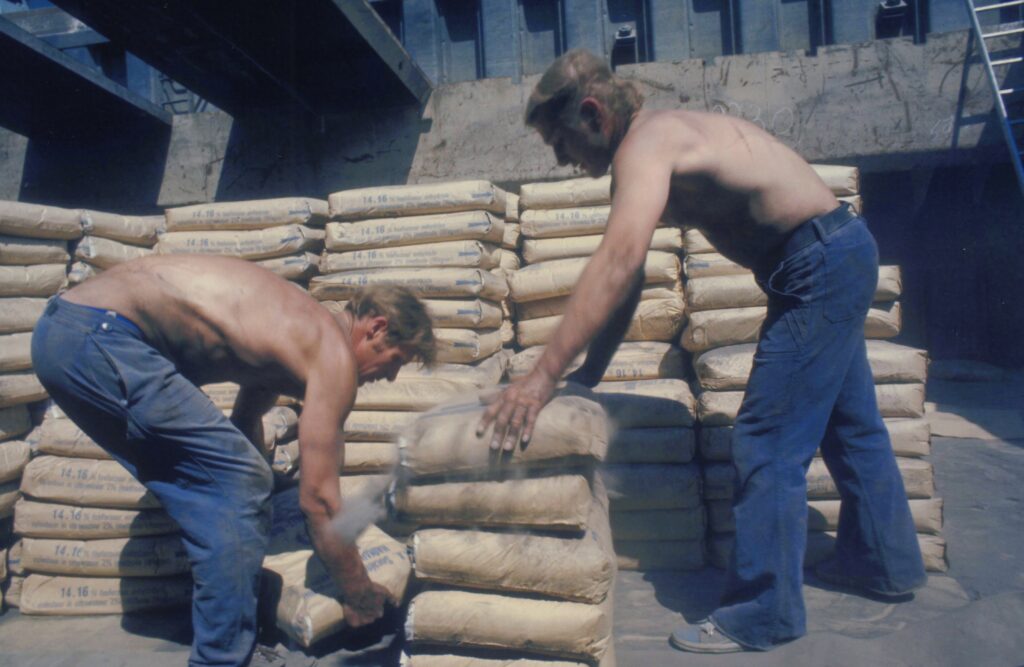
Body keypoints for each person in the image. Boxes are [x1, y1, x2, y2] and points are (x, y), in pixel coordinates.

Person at [477, 49, 926, 653]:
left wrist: (541, 377)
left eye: (560, 140)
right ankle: (883, 564)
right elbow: (629, 283)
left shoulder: (645, 147)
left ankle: (763, 612)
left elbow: (615, 263)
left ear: (592, 113)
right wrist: (589, 375)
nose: (560, 158)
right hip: (835, 253)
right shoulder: (656, 144)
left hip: (817, 265)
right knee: (852, 426)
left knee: (766, 440)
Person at [31, 255, 435, 667]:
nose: (391, 378)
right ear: (376, 329)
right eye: (398, 360)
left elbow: (244, 421)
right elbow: (321, 502)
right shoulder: (333, 357)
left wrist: (269, 489)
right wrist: (359, 593)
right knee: (238, 484)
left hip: (66, 332)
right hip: (103, 338)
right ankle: (219, 659)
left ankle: (225, 627)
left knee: (240, 479)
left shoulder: (291, 332)